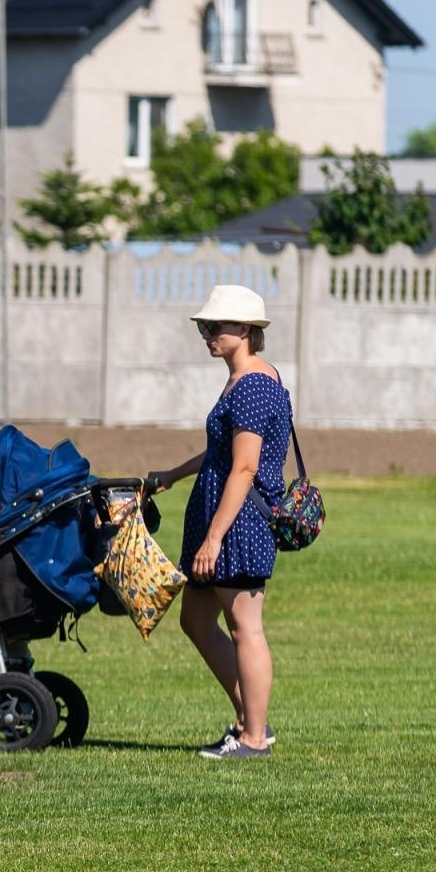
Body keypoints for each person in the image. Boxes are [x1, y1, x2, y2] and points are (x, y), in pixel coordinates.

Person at [148, 284, 292, 760]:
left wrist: (214, 538)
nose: (207, 333)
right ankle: (251, 721)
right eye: (203, 326)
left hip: (239, 523)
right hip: (220, 515)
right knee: (195, 618)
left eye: (216, 326)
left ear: (246, 330)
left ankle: (254, 738)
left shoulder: (253, 384)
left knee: (244, 625)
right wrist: (173, 474)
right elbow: (221, 451)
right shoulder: (243, 379)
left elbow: (246, 467)